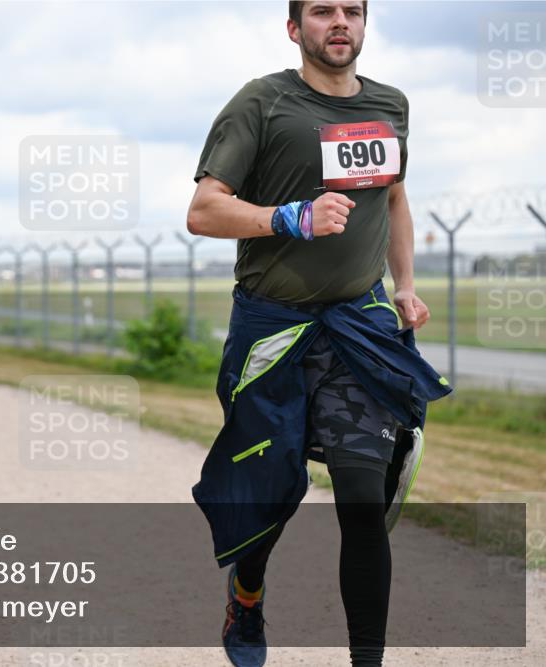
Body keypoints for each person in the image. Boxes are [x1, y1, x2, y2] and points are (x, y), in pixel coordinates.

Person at [186, 3, 451, 666]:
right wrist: (292, 218)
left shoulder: (390, 106)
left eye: (353, 11)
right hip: (273, 331)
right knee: (269, 493)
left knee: (363, 500)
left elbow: (391, 197)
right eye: (323, 11)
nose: (340, 22)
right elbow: (203, 210)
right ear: (294, 28)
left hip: (356, 328)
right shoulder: (263, 103)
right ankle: (246, 594)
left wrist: (406, 285)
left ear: (365, 25)